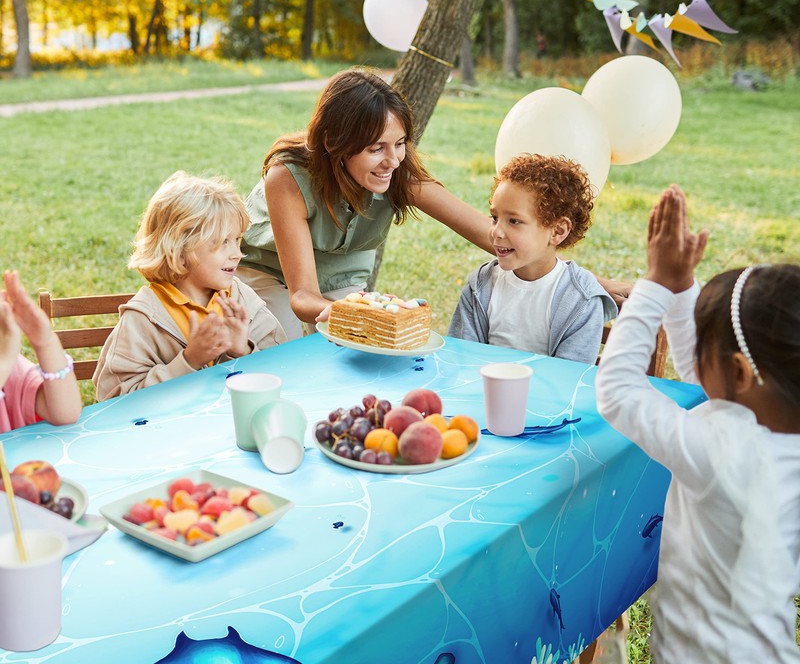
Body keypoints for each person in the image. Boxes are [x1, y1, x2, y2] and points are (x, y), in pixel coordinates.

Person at [239, 68, 628, 340]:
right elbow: (302, 296)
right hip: (272, 274)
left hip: (341, 278)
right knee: (282, 345)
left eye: (400, 143)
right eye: (376, 148)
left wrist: (592, 283)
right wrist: (357, 314)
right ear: (334, 144)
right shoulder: (287, 179)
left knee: (359, 352)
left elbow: (493, 235)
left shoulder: (397, 175)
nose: (393, 160)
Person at [596, 185, 800, 663]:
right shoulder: (771, 433)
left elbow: (619, 389)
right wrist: (684, 287)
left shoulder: (719, 449)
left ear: (739, 372)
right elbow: (714, 383)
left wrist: (654, 286)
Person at [93, 172, 287, 401]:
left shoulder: (242, 299)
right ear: (180, 248)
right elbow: (114, 401)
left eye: (237, 240)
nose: (237, 254)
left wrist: (241, 351)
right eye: (223, 242)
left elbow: (280, 370)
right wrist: (188, 360)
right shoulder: (144, 317)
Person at [448, 154, 617, 363]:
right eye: (495, 218)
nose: (496, 232)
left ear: (558, 231)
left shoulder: (580, 300)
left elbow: (569, 379)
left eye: (514, 221)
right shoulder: (480, 286)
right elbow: (460, 360)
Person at [0, 270, 82, 432]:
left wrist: (45, 344)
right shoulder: (5, 360)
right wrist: (4, 362)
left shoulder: (12, 368)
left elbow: (66, 414)